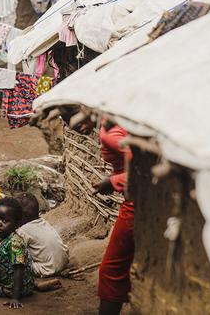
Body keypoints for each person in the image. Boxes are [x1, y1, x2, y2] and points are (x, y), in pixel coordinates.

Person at [92, 119, 134, 315]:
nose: (71, 123)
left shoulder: (110, 133)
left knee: (111, 271)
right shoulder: (114, 124)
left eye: (70, 113)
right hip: (134, 202)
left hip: (137, 205)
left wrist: (113, 181)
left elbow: (145, 170)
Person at [16, 193, 68, 291]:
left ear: (20, 216)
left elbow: (17, 249)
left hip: (45, 269)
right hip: (63, 263)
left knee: (17, 252)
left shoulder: (23, 230)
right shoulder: (44, 222)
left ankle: (31, 283)